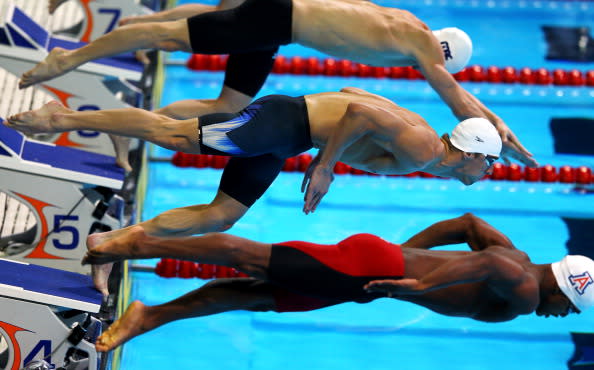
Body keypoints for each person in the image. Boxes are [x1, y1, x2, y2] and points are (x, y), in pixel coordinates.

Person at [7, 87, 502, 294]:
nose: (488, 175)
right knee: (168, 133)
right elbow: (359, 111)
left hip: (287, 138)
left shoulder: (429, 154)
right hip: (282, 125)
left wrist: (317, 151)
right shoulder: (422, 147)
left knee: (221, 216)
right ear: (474, 154)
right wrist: (325, 166)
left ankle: (115, 244)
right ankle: (65, 117)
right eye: (491, 166)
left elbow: (357, 105)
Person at [23, 0, 537, 168]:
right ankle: (70, 59)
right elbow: (453, 97)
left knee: (225, 98)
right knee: (176, 39)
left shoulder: (403, 23)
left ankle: (134, 63)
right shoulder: (423, 46)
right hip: (279, 18)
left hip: (278, 22)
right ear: (444, 53)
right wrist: (498, 127)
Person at [80, 213, 594, 352]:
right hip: (375, 274)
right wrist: (412, 281)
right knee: (251, 258)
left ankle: (148, 316)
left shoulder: (522, 258)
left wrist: (406, 255)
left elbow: (466, 224)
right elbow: (486, 267)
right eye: (570, 309)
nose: (563, 317)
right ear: (564, 291)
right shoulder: (525, 291)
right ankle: (132, 243)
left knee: (256, 295)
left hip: (374, 269)